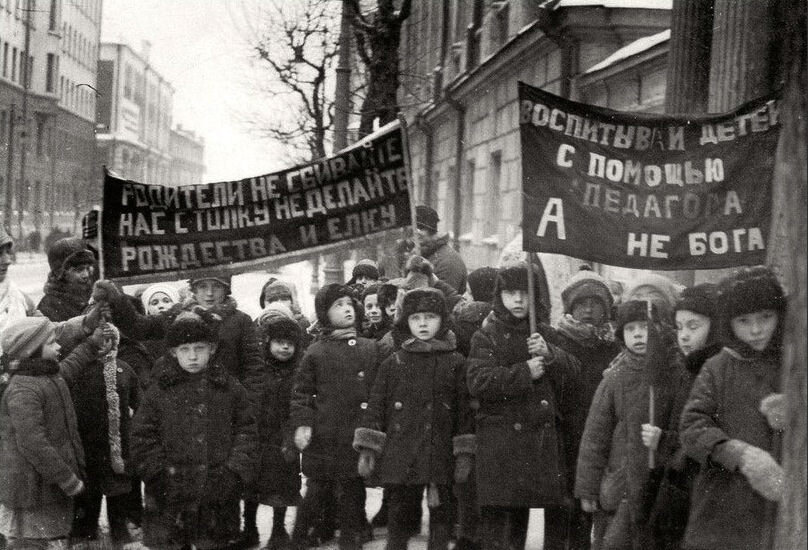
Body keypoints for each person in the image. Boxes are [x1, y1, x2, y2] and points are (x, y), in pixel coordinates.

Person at [467, 263, 580, 550]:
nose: (518, 300)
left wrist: (549, 353)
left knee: (547, 520)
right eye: (510, 293)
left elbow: (575, 371)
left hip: (539, 445)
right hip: (504, 445)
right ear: (499, 296)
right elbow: (479, 381)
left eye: (524, 293)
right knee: (507, 532)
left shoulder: (544, 334)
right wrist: (524, 373)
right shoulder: (487, 335)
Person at [354, 287, 474, 550]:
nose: (422, 324)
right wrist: (369, 447)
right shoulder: (394, 362)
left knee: (441, 520)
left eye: (429, 317)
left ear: (442, 321)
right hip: (402, 454)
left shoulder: (455, 363)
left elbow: (465, 411)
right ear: (405, 322)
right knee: (399, 517)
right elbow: (376, 405)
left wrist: (464, 452)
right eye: (416, 318)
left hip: (439, 454)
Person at [679, 266, 786, 550]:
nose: (755, 330)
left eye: (765, 317)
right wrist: (740, 454)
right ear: (729, 323)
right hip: (724, 509)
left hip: (781, 515)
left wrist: (796, 410)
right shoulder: (717, 368)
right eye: (743, 320)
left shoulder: (793, 364)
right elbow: (692, 426)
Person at [131, 311, 258, 550]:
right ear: (173, 352)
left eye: (199, 348)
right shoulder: (159, 390)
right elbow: (142, 435)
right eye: (184, 349)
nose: (192, 357)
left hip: (217, 488)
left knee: (213, 543)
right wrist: (157, 473)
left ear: (211, 349)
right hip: (169, 491)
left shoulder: (229, 387)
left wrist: (233, 472)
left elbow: (247, 431)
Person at [574, 299, 686, 550]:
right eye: (630, 329)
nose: (637, 335)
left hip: (659, 484)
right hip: (620, 484)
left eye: (644, 327)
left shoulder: (675, 372)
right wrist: (588, 489)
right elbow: (595, 437)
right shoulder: (615, 378)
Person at [289, 284, 380, 550]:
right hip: (324, 436)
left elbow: (378, 391)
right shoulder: (316, 351)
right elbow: (302, 392)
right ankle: (297, 539)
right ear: (325, 313)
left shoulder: (369, 348)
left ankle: (351, 541)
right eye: (338, 305)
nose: (346, 310)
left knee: (353, 492)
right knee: (316, 491)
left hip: (355, 434)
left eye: (349, 304)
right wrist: (303, 423)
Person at [94, 272, 265, 400]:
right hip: (181, 402)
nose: (210, 293)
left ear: (227, 290)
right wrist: (116, 300)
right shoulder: (177, 314)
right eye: (203, 286)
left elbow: (254, 370)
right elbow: (140, 328)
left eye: (217, 286)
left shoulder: (241, 321)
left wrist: (248, 410)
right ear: (193, 289)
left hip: (226, 403)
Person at [639, 283, 721, 550]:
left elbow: (708, 438)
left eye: (693, 326)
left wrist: (664, 441)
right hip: (679, 489)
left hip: (700, 496)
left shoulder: (714, 374)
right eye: (680, 327)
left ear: (715, 326)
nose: (684, 336)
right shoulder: (689, 369)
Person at [546, 265, 622, 550]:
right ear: (570, 307)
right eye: (581, 303)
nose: (588, 309)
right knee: (557, 516)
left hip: (596, 445)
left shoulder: (614, 347)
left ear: (606, 309)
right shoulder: (555, 341)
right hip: (561, 439)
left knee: (585, 517)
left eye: (595, 303)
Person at [0, 317, 85, 550]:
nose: (59, 347)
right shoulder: (24, 388)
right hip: (32, 492)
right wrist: (66, 478)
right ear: (32, 350)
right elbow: (33, 443)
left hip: (45, 486)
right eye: (51, 343)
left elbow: (70, 368)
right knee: (30, 543)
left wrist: (91, 346)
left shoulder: (47, 375)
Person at [66, 323, 142, 547]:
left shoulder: (125, 370)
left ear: (115, 342)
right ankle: (86, 533)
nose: (102, 344)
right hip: (87, 444)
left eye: (108, 340)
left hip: (118, 446)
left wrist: (133, 429)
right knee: (88, 494)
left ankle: (119, 532)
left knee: (118, 492)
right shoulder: (77, 371)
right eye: (97, 339)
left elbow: (140, 404)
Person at [241, 304, 303, 550]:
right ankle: (250, 528)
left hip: (283, 440)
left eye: (290, 343)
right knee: (251, 487)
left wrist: (291, 436)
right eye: (279, 342)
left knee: (282, 487)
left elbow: (299, 407)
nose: (285, 347)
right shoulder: (259, 371)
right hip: (258, 438)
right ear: (267, 343)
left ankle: (279, 530)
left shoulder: (298, 373)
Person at [37, 237, 97, 322]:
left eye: (88, 268)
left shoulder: (94, 296)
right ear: (61, 275)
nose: (86, 275)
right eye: (79, 270)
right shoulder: (49, 307)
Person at [414, 205, 467, 295]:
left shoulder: (448, 261)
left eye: (420, 228)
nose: (412, 234)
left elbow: (442, 301)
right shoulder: (422, 255)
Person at [259, 279, 313, 351]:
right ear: (266, 303)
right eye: (273, 300)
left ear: (291, 302)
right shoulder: (258, 323)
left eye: (284, 299)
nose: (279, 302)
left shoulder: (302, 323)